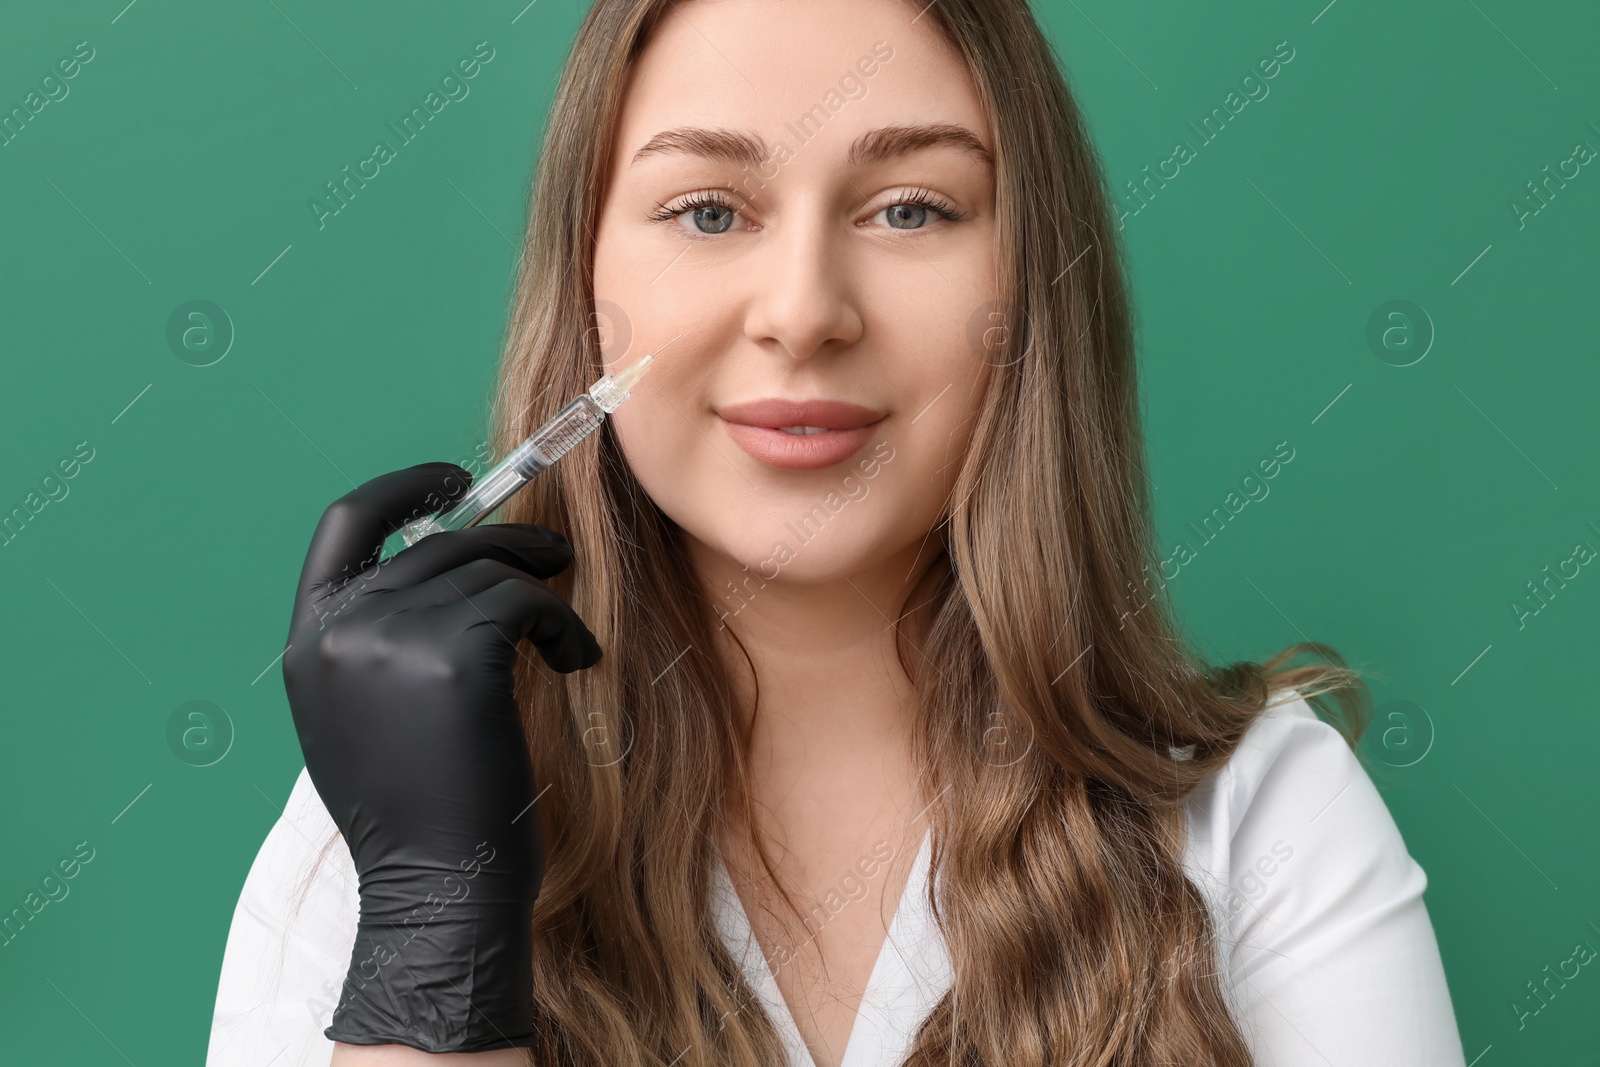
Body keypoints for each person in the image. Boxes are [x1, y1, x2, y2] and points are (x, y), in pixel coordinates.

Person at [208, 0, 1467, 1063]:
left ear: (1029, 291)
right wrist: (435, 940)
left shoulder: (1262, 818)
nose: (803, 312)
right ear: (588, 298)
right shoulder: (384, 832)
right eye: (708, 211)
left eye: (911, 208)